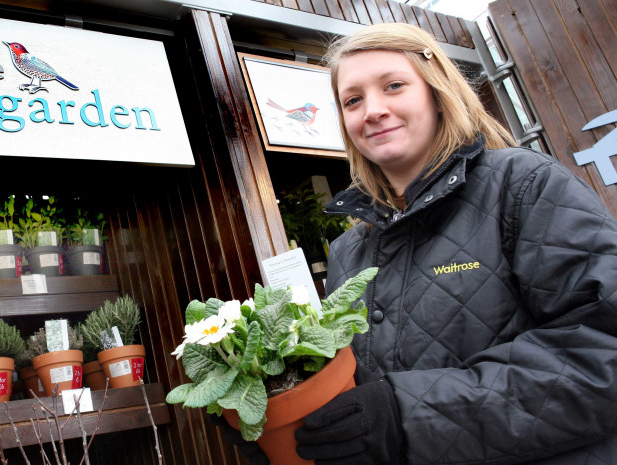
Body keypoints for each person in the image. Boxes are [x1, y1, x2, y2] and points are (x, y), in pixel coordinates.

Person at [221, 22, 617, 465]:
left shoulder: (522, 185)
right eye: (353, 100)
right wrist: (288, 421)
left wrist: (405, 416)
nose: (372, 110)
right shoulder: (350, 251)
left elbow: (602, 357)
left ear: (437, 91)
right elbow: (360, 397)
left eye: (393, 86)